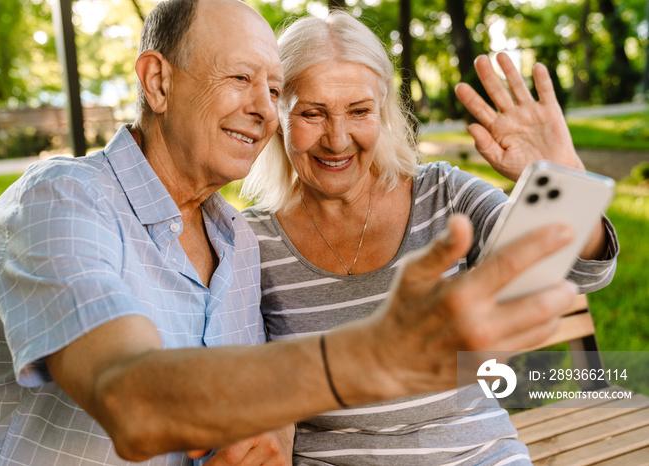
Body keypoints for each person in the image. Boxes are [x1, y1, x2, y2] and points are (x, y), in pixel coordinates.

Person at [0, 1, 592, 464]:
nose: (262, 107)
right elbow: (136, 401)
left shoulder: (233, 243)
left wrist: (559, 181)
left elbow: (548, 265)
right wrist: (372, 356)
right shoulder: (64, 201)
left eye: (272, 86)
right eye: (241, 79)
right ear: (157, 81)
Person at [241, 11, 618, 466]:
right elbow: (249, 391)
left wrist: (566, 186)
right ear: (278, 113)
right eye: (312, 113)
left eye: (359, 111)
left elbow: (576, 272)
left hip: (478, 454)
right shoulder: (252, 241)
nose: (337, 139)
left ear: (383, 111)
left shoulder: (444, 193)